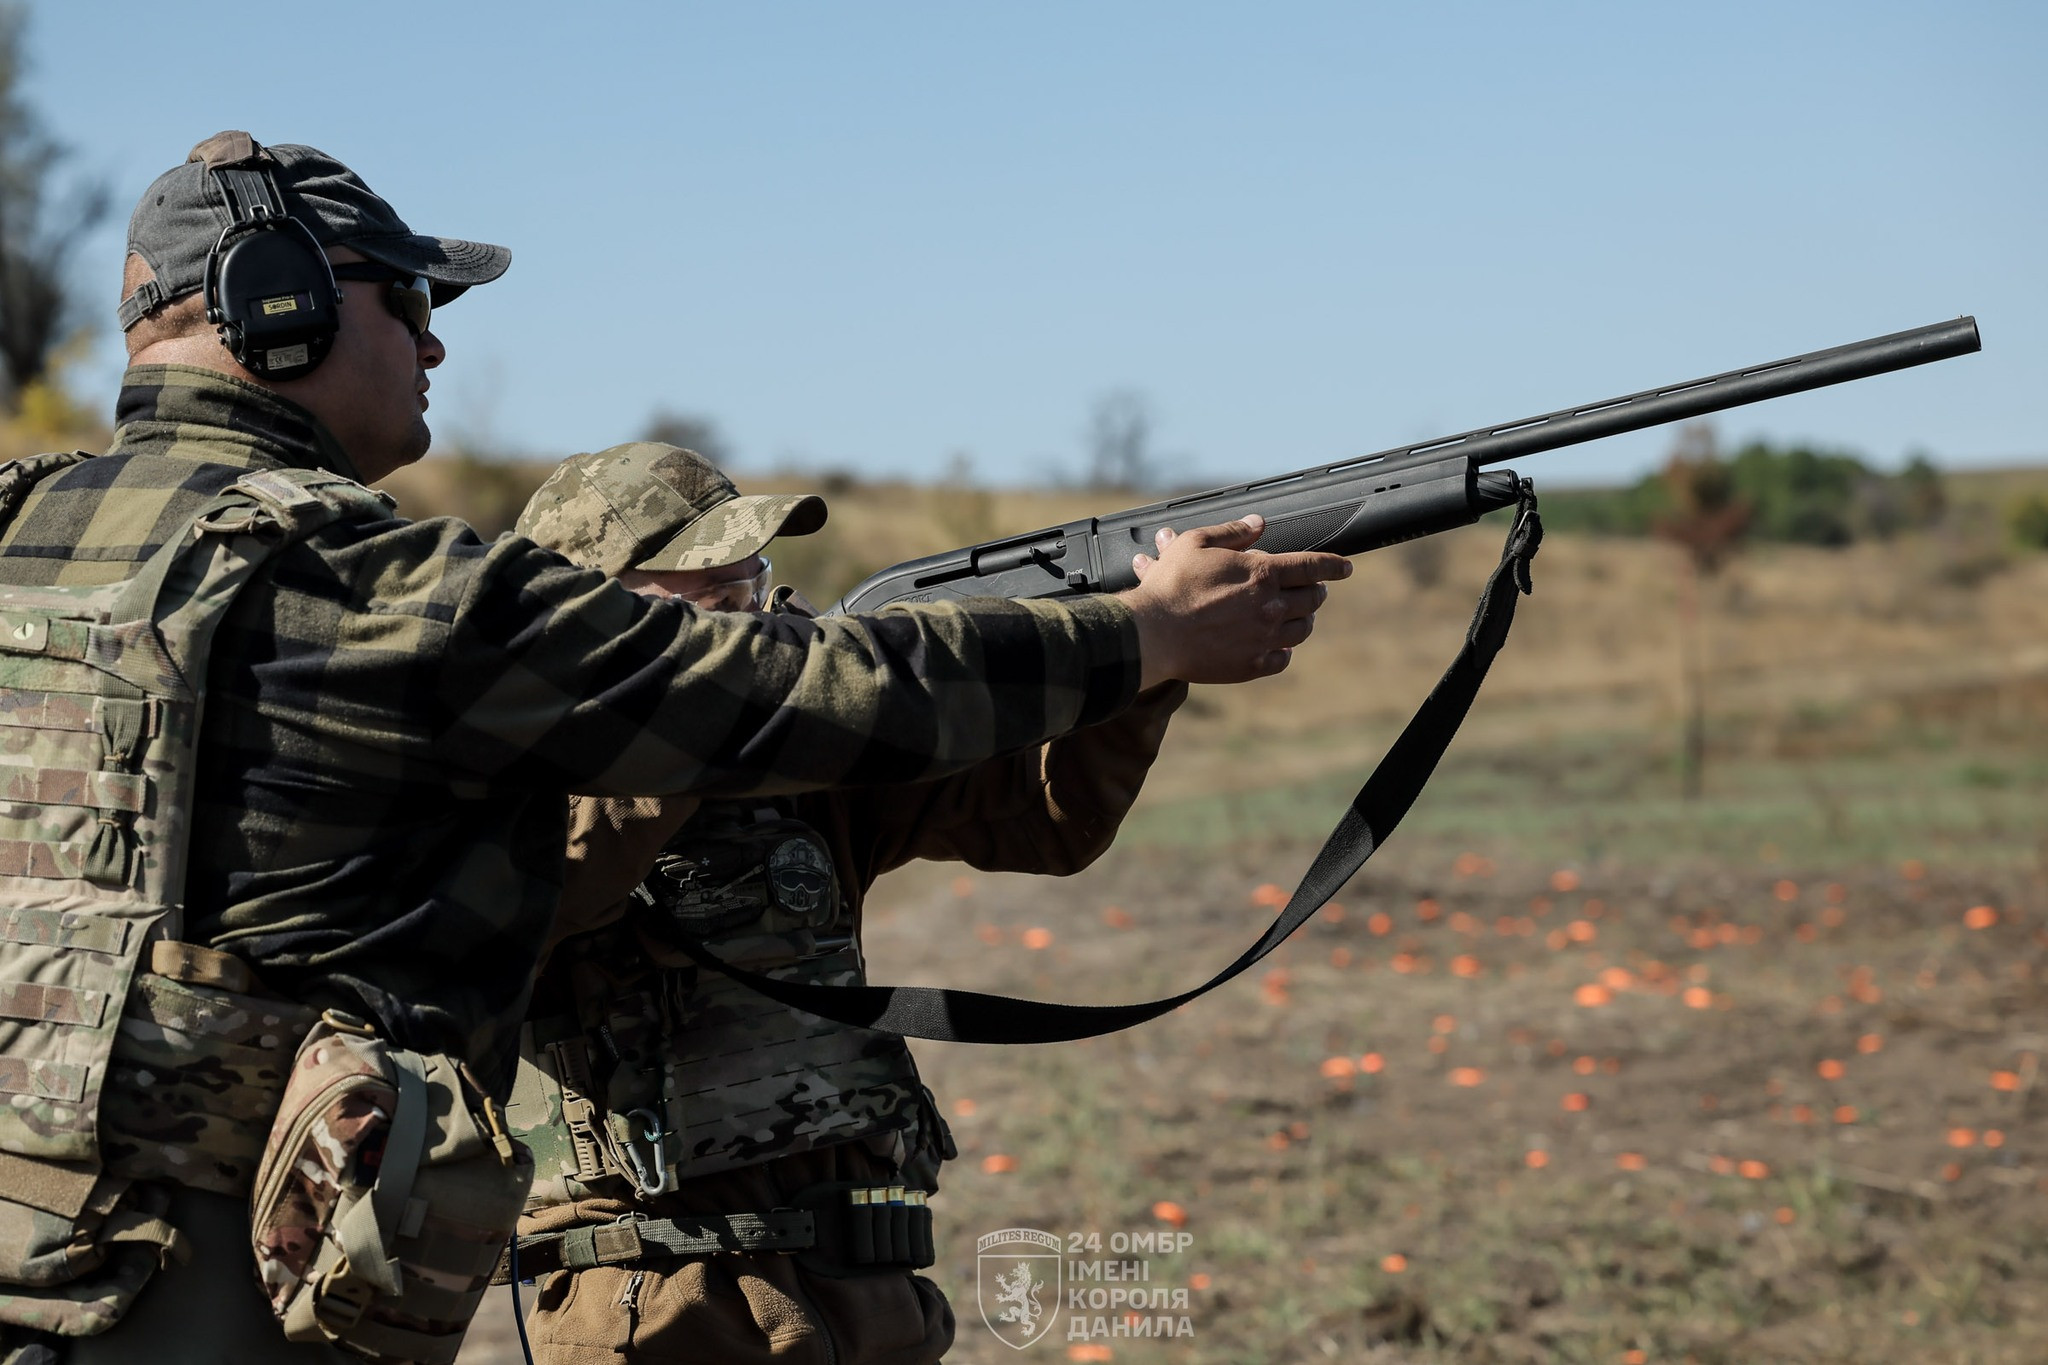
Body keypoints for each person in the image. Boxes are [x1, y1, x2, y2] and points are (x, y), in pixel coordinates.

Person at [0, 132, 1346, 1364]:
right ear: (280, 296)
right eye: (409, 298)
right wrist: (1140, 636)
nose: (432, 344)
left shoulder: (21, 529)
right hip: (203, 1287)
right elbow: (794, 694)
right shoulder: (374, 583)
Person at [501, 443, 1190, 1364]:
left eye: (753, 582)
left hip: (863, 1287)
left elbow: (1043, 822)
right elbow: (557, 876)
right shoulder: (505, 783)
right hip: (663, 1306)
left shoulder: (789, 770)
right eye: (711, 597)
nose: (753, 617)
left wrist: (1140, 662)